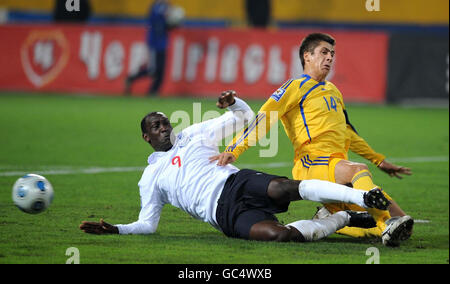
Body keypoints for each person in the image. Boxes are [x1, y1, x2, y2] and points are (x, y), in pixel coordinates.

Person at [80, 91, 391, 243]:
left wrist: (234, 102)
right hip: (223, 215)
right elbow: (148, 224)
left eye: (165, 122)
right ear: (146, 137)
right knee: (277, 236)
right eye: (156, 126)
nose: (164, 128)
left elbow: (243, 118)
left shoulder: (193, 134)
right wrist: (116, 230)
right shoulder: (150, 177)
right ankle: (341, 218)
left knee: (284, 188)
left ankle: (363, 198)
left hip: (235, 182)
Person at [210, 33, 414, 247]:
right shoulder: (294, 87)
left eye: (332, 54)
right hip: (312, 164)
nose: (330, 58)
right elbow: (264, 118)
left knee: (405, 226)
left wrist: (379, 160)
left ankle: (337, 220)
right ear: (307, 56)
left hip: (337, 166)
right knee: (360, 175)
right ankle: (385, 223)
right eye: (324, 52)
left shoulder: (334, 90)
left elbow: (348, 132)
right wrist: (235, 148)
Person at [124, 0, 175, 96]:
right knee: (153, 70)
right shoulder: (157, 6)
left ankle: (153, 92)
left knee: (161, 71)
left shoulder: (165, 6)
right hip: (155, 43)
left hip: (163, 43)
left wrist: (172, 23)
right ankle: (131, 78)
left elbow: (165, 25)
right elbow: (157, 24)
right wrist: (170, 20)